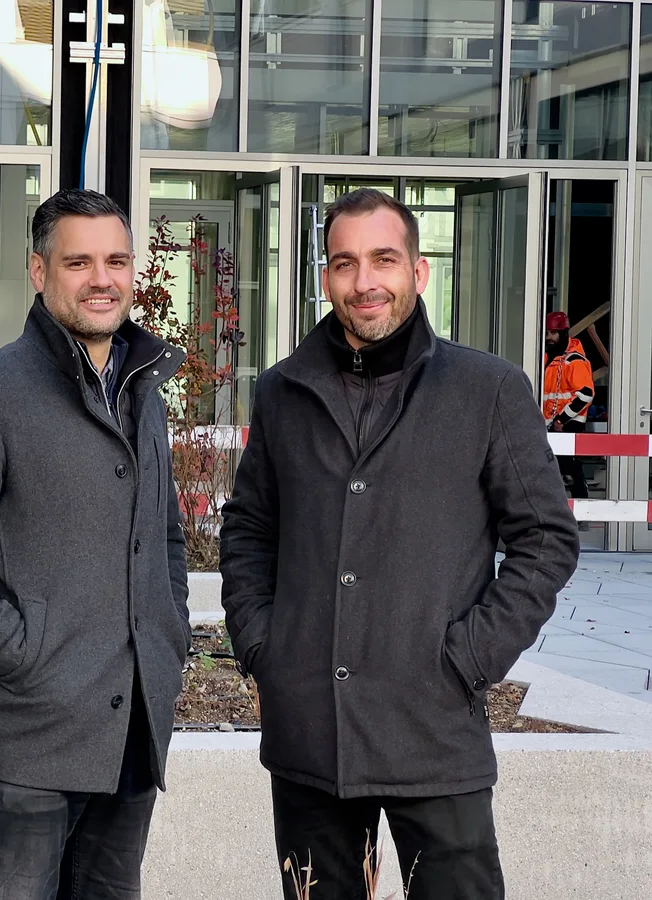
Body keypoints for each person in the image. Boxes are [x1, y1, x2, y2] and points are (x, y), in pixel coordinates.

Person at [219, 188, 580, 900]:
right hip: (310, 735)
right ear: (325, 277)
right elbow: (250, 529)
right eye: (345, 263)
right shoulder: (284, 391)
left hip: (434, 730)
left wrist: (470, 657)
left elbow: (545, 538)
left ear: (418, 270)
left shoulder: (488, 391)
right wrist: (265, 646)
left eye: (384, 259)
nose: (365, 282)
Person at [0, 189, 190, 900]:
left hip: (132, 734)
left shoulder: (142, 389)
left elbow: (166, 537)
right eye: (79, 261)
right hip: (27, 738)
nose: (101, 278)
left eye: (116, 260)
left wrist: (168, 633)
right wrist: (22, 651)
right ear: (39, 270)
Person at [543, 311, 595, 520]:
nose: (549, 337)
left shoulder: (575, 361)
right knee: (552, 471)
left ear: (564, 333)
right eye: (547, 332)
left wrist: (562, 420)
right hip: (549, 423)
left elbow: (586, 394)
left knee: (570, 472)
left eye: (554, 332)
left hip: (568, 423)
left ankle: (582, 515)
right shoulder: (547, 359)